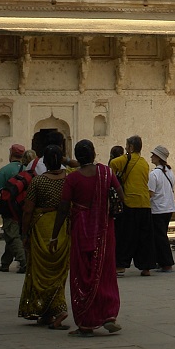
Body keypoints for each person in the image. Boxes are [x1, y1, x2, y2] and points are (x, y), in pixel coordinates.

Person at [59, 139, 122, 336]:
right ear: (94, 154)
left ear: (77, 157)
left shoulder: (73, 179)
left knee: (83, 273)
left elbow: (63, 207)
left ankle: (86, 323)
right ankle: (109, 315)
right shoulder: (106, 173)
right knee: (105, 271)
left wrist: (55, 234)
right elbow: (121, 195)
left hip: (81, 230)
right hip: (104, 230)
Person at [18, 145, 71, 330]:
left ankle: (58, 309)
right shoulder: (69, 178)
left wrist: (24, 234)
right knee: (58, 271)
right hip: (63, 227)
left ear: (45, 162)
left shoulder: (38, 181)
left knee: (41, 272)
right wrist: (66, 160)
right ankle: (48, 313)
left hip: (42, 228)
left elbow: (27, 210)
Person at [109, 135, 154, 274]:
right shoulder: (144, 162)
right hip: (145, 203)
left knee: (126, 237)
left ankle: (121, 265)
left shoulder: (125, 159)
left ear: (131, 147)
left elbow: (111, 166)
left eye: (127, 146)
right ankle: (146, 267)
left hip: (130, 202)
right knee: (144, 238)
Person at [0, 143, 27, 273]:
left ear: (11, 154)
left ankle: (23, 262)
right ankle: (5, 263)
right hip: (24, 208)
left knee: (12, 235)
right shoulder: (27, 170)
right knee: (12, 234)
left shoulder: (5, 170)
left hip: (10, 208)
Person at [146, 145, 175, 273]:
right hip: (168, 208)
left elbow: (150, 193)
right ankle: (161, 260)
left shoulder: (154, 174)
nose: (151, 157)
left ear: (158, 158)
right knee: (161, 235)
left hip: (158, 209)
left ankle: (166, 263)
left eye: (153, 155)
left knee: (160, 237)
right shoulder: (170, 172)